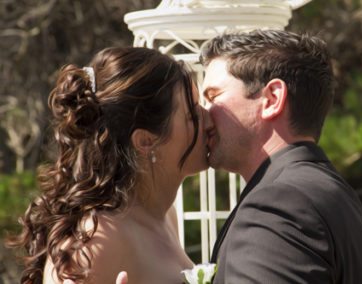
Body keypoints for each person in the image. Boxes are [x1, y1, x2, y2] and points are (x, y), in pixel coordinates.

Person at [200, 29, 362, 283]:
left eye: (213, 96)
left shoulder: (277, 205)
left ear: (272, 99)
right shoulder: (329, 191)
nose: (204, 114)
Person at [7, 46, 211, 283]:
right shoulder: (97, 239)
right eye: (192, 115)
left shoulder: (166, 217)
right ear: (146, 141)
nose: (209, 118)